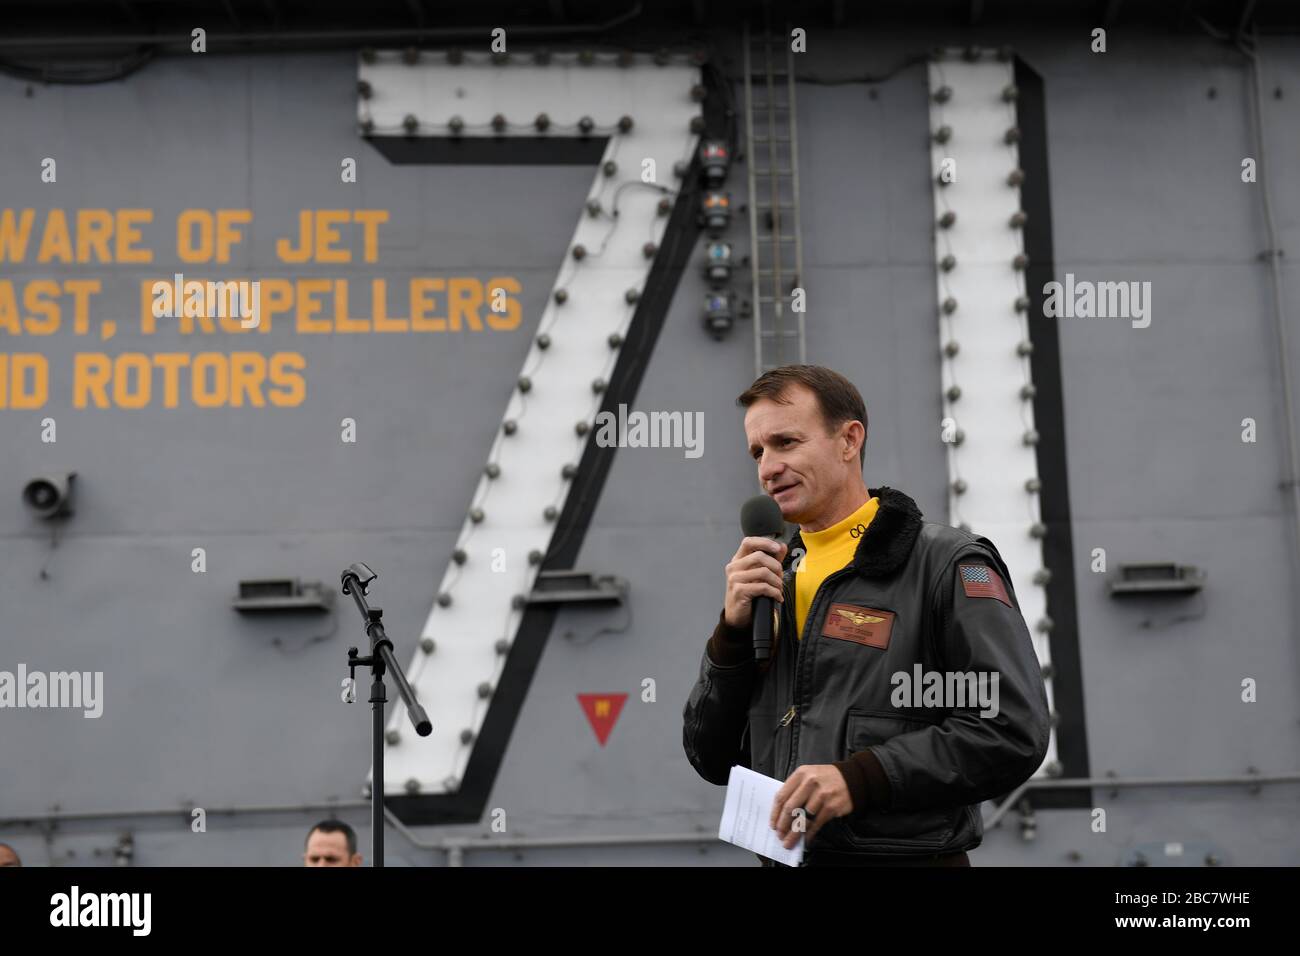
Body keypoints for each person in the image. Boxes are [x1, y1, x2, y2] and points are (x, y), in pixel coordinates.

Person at [682, 364, 1051, 866]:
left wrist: (859, 779)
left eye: (786, 442)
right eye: (757, 452)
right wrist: (731, 635)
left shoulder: (945, 564)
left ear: (849, 439)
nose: (767, 467)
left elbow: (1010, 730)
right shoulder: (771, 580)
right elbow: (711, 756)